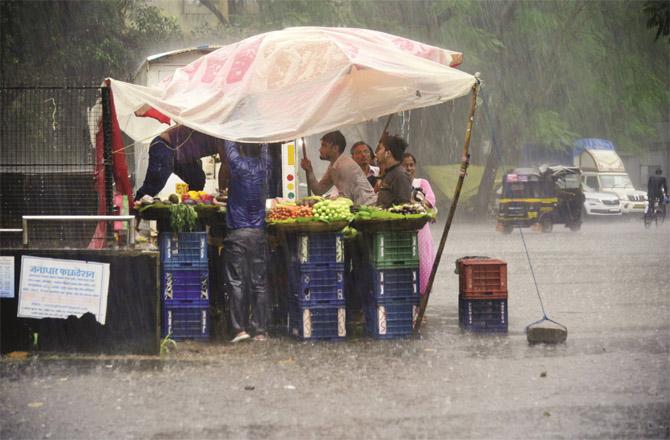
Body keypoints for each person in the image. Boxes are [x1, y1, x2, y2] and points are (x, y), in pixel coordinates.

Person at [222, 141, 272, 343]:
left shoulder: (236, 165)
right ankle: (260, 330)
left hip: (238, 233)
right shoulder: (265, 166)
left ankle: (239, 329)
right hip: (258, 232)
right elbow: (266, 145)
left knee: (237, 282)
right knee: (258, 283)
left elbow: (228, 144)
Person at [134, 125, 228, 201]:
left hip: (183, 156)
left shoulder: (229, 137)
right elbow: (225, 164)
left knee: (197, 179)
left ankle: (189, 210)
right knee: (152, 187)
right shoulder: (222, 133)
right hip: (165, 145)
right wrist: (222, 193)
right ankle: (133, 214)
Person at [300, 131, 377, 206]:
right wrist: (309, 170)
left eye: (324, 145)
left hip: (368, 209)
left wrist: (325, 201)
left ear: (335, 148)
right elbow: (319, 190)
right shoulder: (333, 165)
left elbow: (347, 200)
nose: (320, 150)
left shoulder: (345, 166)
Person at [402, 153, 436, 296]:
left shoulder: (422, 183)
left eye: (411, 165)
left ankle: (422, 307)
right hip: (403, 230)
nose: (409, 168)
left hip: (421, 231)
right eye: (405, 165)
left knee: (423, 267)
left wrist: (416, 202)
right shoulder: (397, 183)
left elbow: (431, 201)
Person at [375, 134, 412, 208]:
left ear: (388, 153)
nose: (376, 153)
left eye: (380, 149)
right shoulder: (389, 173)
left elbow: (404, 207)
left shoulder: (400, 175)